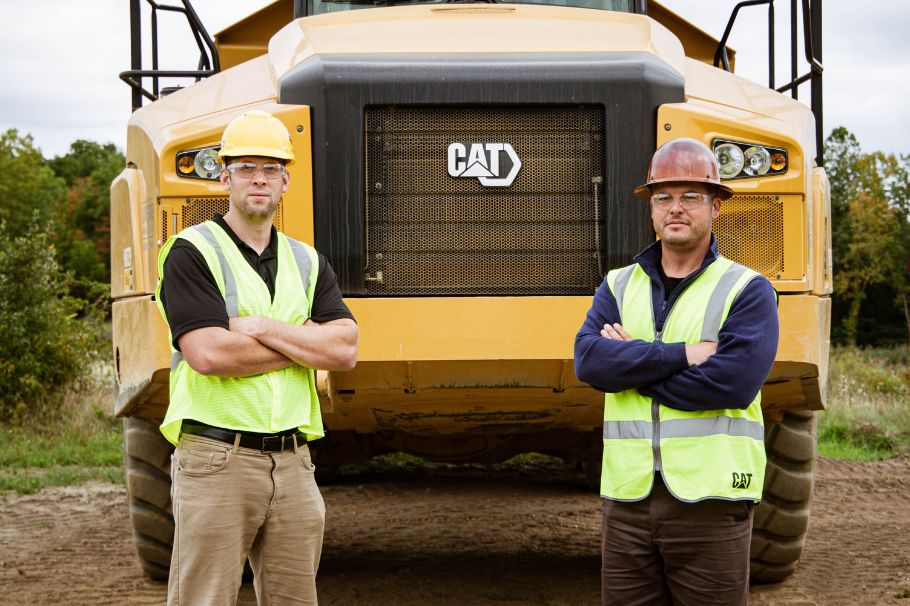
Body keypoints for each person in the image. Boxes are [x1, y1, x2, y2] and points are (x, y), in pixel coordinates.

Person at [156, 110, 358, 605]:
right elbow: (208, 353)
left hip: (294, 463)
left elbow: (345, 348)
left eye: (271, 168)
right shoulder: (191, 252)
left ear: (286, 180)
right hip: (216, 459)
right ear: (224, 178)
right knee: (204, 598)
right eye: (246, 168)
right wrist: (304, 343)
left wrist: (262, 328)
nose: (259, 179)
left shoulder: (307, 261)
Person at [574, 137, 779, 605]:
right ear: (651, 209)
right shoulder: (618, 285)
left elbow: (731, 384)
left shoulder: (747, 289)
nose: (676, 208)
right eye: (663, 197)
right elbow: (589, 362)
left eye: (691, 196)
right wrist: (684, 354)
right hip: (627, 502)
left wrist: (630, 367)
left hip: (711, 503)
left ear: (715, 207)